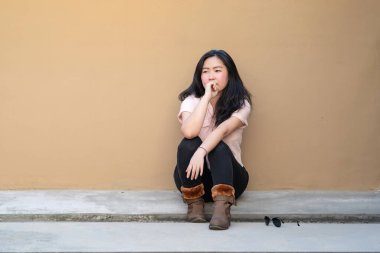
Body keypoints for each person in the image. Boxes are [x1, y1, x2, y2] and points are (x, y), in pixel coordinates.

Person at [173, 49, 252, 230]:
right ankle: (195, 204)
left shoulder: (241, 103)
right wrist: (206, 98)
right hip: (195, 180)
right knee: (187, 144)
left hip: (230, 179)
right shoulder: (191, 101)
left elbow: (223, 130)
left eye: (217, 70)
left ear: (229, 74)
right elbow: (189, 132)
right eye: (205, 71)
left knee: (218, 146)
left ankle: (222, 210)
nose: (211, 76)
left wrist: (202, 151)